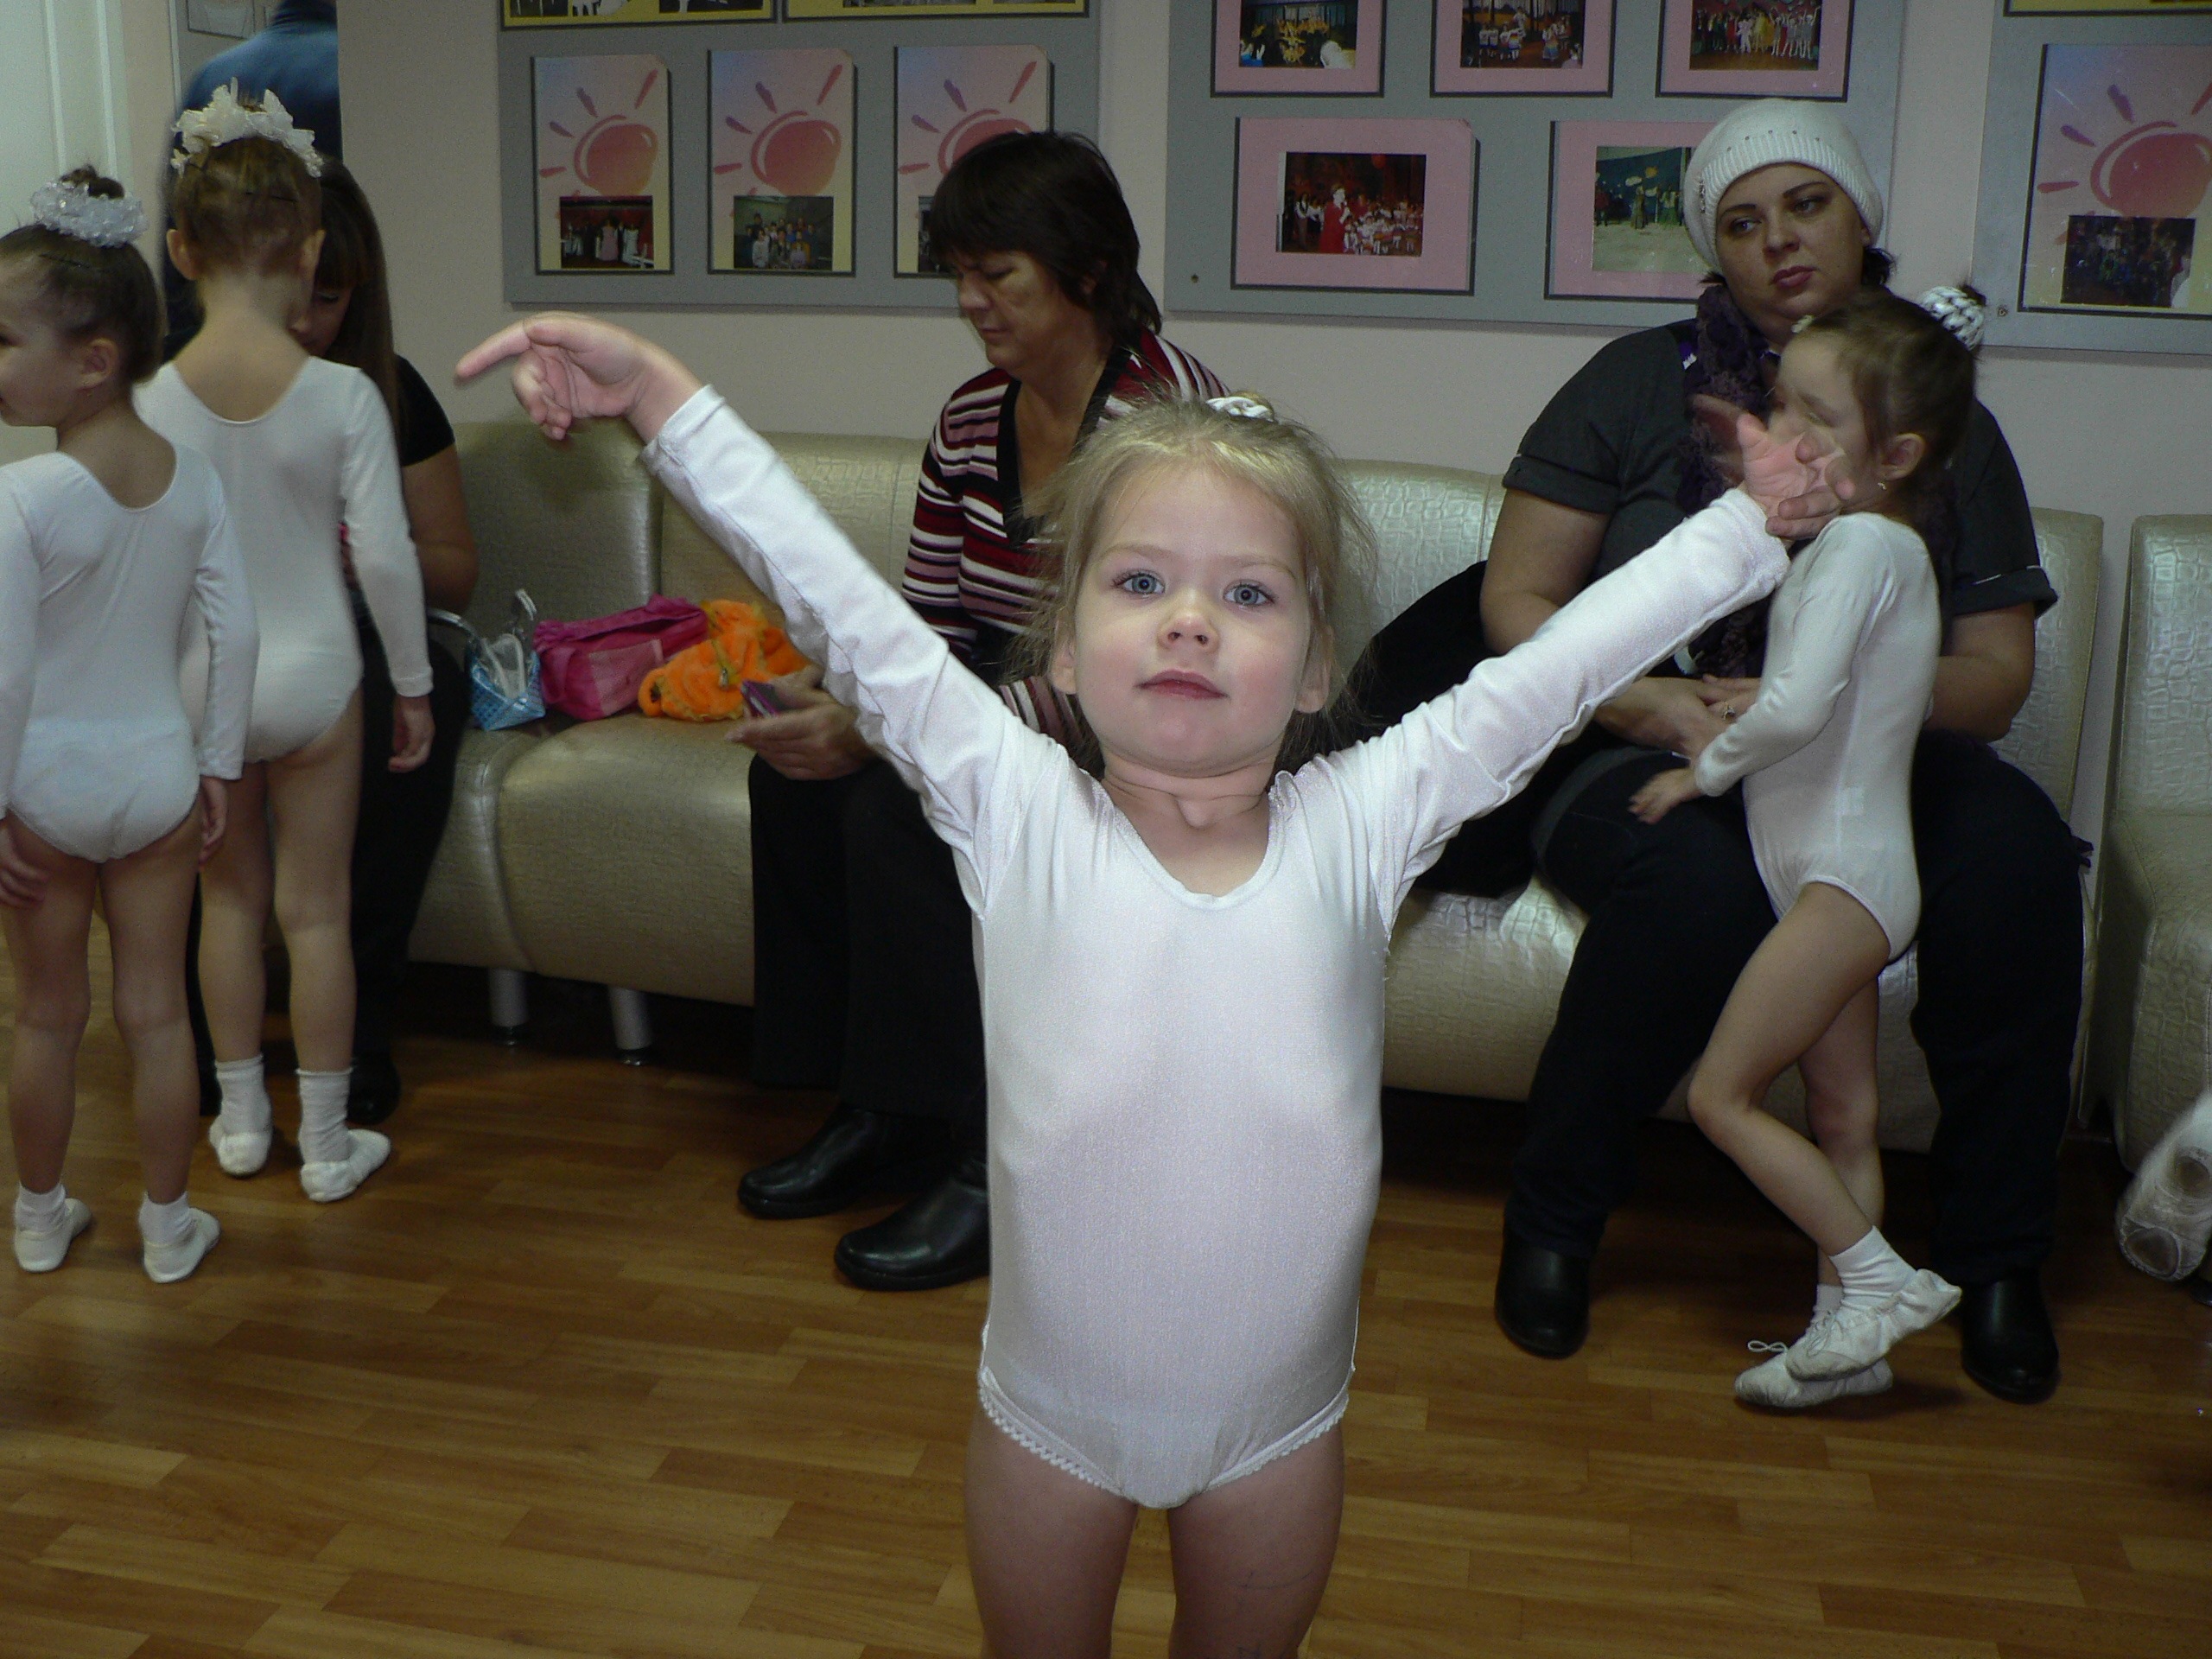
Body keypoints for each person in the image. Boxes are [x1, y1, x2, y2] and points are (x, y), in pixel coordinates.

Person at [454, 292, 1833, 1657]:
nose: (1189, 622)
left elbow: (1559, 670)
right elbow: (845, 605)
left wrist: (1751, 524)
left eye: (1248, 594)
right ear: (1063, 647)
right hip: (1047, 1429)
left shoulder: (1366, 819)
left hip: (1276, 1437)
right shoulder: (1015, 807)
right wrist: (660, 401)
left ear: (1314, 667)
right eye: (1139, 584)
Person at [1360, 99, 2077, 1403]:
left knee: (2017, 857)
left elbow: (1996, 675)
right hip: (1636, 723)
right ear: (1712, 250)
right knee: (1689, 875)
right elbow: (1515, 602)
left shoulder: (1932, 409)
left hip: (1865, 747)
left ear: (1860, 219)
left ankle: (1995, 1260)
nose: (1777, 240)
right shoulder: (1632, 382)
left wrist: (1851, 695)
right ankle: (1556, 1221)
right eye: (1741, 223)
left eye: (1806, 205)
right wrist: (1648, 705)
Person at [728, 131, 1224, 1293]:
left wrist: (898, 731)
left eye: (997, 275)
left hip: (1143, 712)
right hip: (1004, 685)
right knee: (796, 783)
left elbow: (1140, 662)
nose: (970, 303)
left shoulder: (1170, 424)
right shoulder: (968, 421)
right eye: (960, 276)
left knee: (903, 811)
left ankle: (992, 1157)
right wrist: (845, 693)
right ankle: (876, 1105)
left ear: (1085, 271)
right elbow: (933, 624)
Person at [1630, 289, 1989, 1405]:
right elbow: (1834, 694)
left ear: (1897, 456)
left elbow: (1796, 712)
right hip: (1844, 879)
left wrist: (1701, 771)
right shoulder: (1874, 549)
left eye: (1816, 418)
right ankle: (1848, 1347)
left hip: (1840, 881)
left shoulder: (1860, 544)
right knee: (1844, 1117)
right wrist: (1763, 696)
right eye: (1782, 403)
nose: (1782, 431)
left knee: (1721, 1097)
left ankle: (1877, 1281)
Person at [140, 87, 433, 1204]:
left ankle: (240, 1124)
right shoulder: (344, 396)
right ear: (310, 252)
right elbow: (389, 559)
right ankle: (326, 1144)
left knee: (227, 904)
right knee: (316, 914)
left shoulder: (150, 403)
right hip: (317, 680)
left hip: (200, 683)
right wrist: (414, 686)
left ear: (181, 252)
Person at [1, 171, 256, 1282]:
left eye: (3, 340)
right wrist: (219, 765)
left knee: (47, 1017)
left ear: (93, 360)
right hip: (159, 778)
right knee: (157, 1016)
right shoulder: (194, 481)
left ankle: (39, 1217)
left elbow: (5, 675)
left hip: (42, 790)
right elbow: (236, 632)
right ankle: (168, 1226)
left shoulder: (22, 498)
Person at [288, 159, 477, 1124]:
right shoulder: (190, 393)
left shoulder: (388, 394)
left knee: (409, 700)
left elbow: (455, 567)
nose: (303, 322)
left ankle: (360, 1028)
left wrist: (371, 554)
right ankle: (200, 1025)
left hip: (367, 632)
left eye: (327, 301)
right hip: (245, 637)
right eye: (289, 294)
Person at [163, 0, 340, 359]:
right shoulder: (347, 67)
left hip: (216, 346)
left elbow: (180, 217)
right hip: (327, 332)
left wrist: (183, 353)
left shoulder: (213, 75)